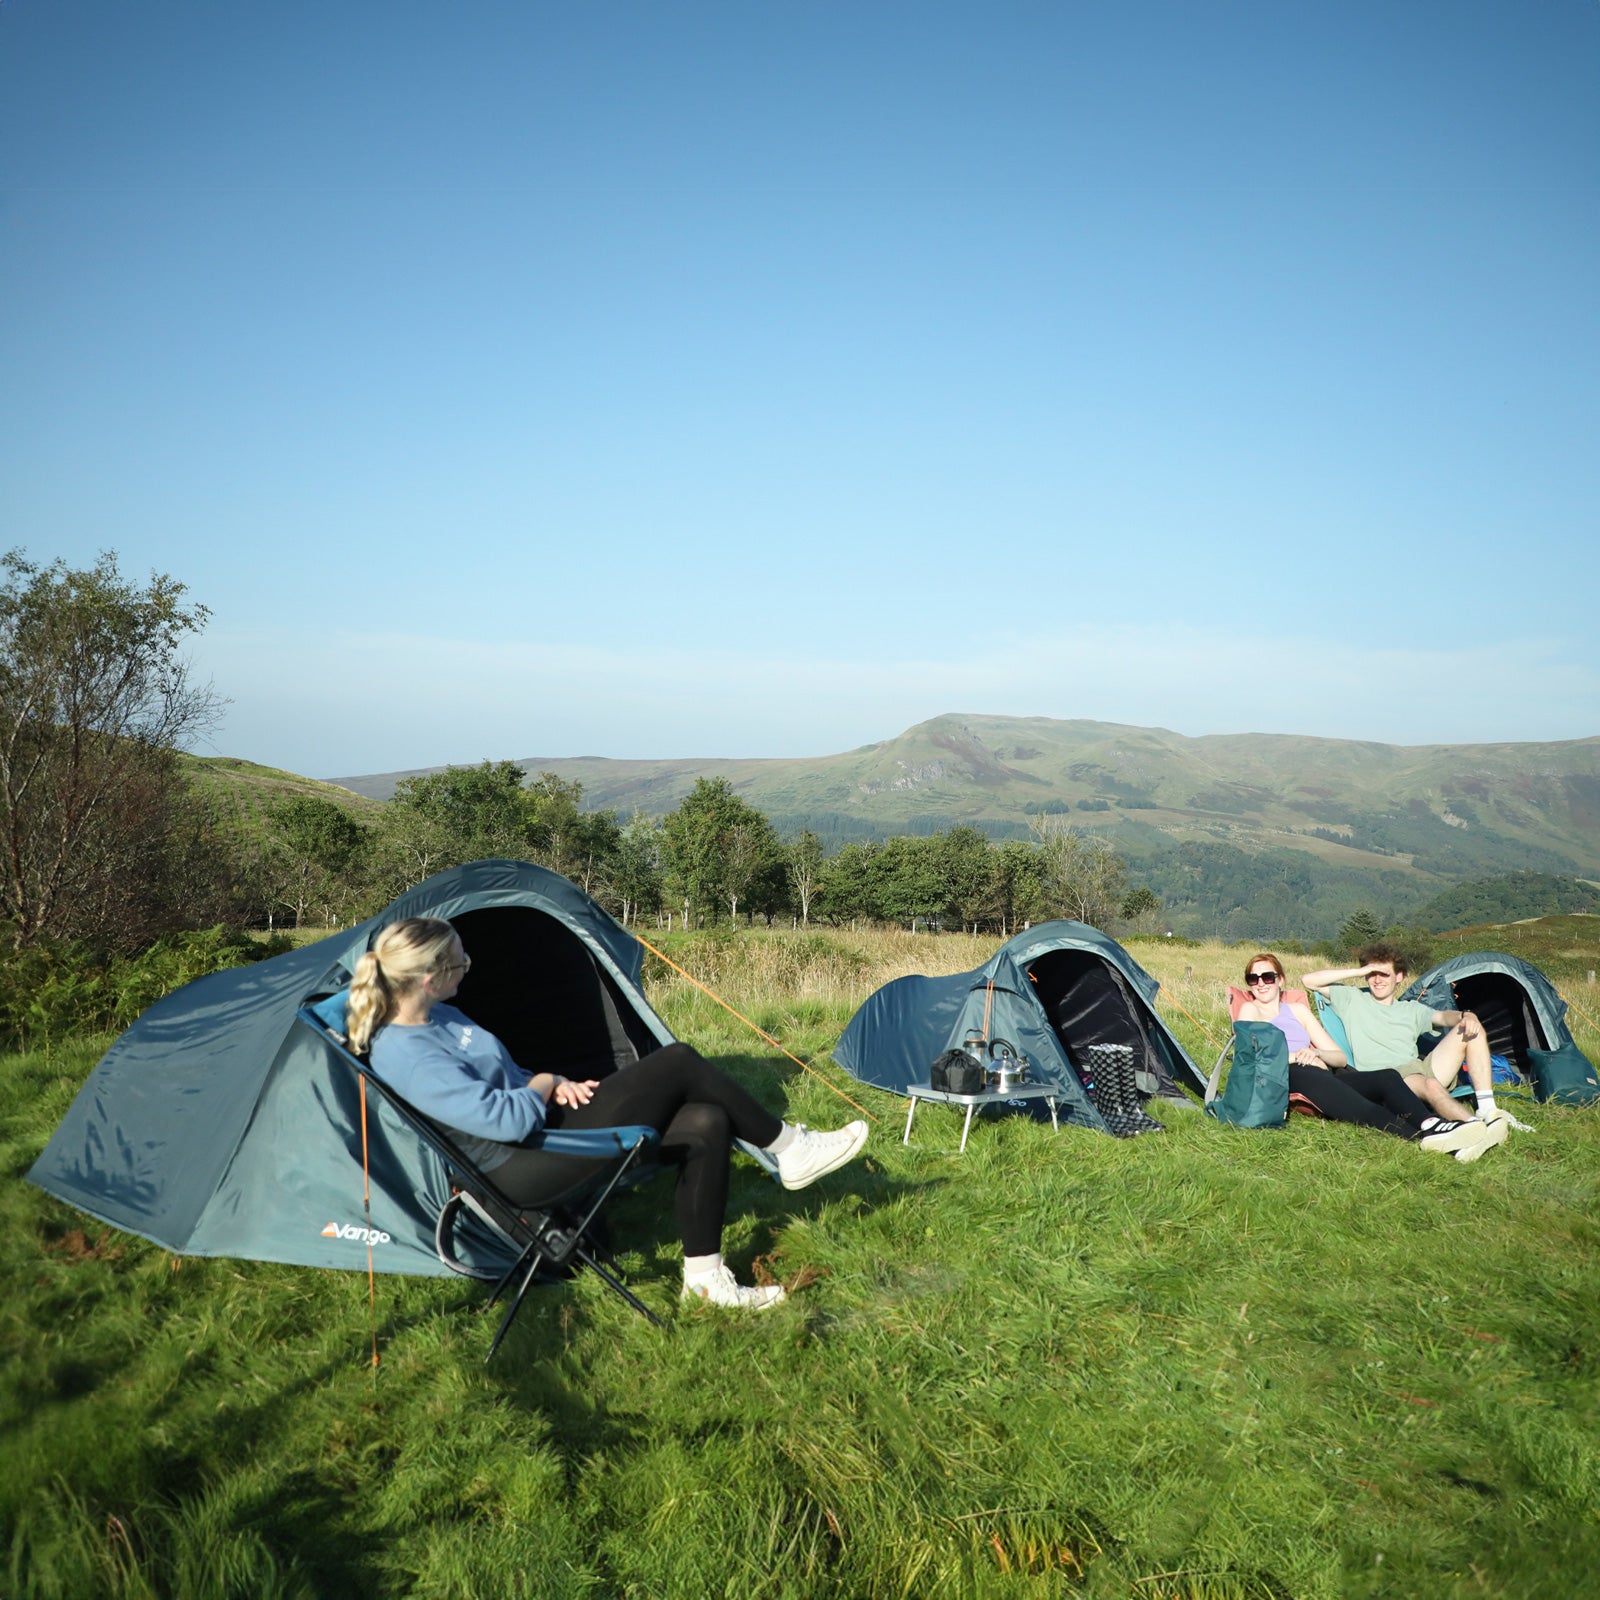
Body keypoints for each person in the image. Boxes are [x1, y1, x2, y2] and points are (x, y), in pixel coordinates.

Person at [345, 917, 870, 1310]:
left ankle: (706, 1282)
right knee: (678, 1060)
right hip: (516, 1166)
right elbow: (500, 1122)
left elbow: (504, 1073)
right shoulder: (405, 1053)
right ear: (429, 977)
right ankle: (788, 1148)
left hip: (540, 1126)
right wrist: (546, 1085)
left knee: (706, 1121)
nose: (468, 968)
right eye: (460, 963)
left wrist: (553, 1085)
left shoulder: (441, 1014)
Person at [1236, 952, 1491, 1157]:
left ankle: (1430, 1124)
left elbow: (1339, 1058)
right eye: (1253, 979)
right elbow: (1252, 1054)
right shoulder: (1249, 1009)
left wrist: (1319, 1055)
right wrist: (1297, 1057)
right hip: (1288, 1072)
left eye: (1267, 977)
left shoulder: (1297, 1011)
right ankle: (1426, 1138)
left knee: (1388, 1078)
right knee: (1365, 1109)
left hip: (1320, 1070)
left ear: (1280, 980)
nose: (1260, 984)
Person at [1301, 942, 1508, 1158]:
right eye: (1372, 974)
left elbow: (1442, 1017)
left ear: (1399, 977)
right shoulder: (1351, 998)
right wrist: (1359, 971)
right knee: (1429, 1083)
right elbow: (1308, 981)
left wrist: (1467, 1015)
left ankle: (1486, 1108)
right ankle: (1474, 1128)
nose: (1377, 979)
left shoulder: (1411, 1009)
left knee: (1471, 1030)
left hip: (1420, 1067)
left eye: (1384, 974)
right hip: (1390, 1077)